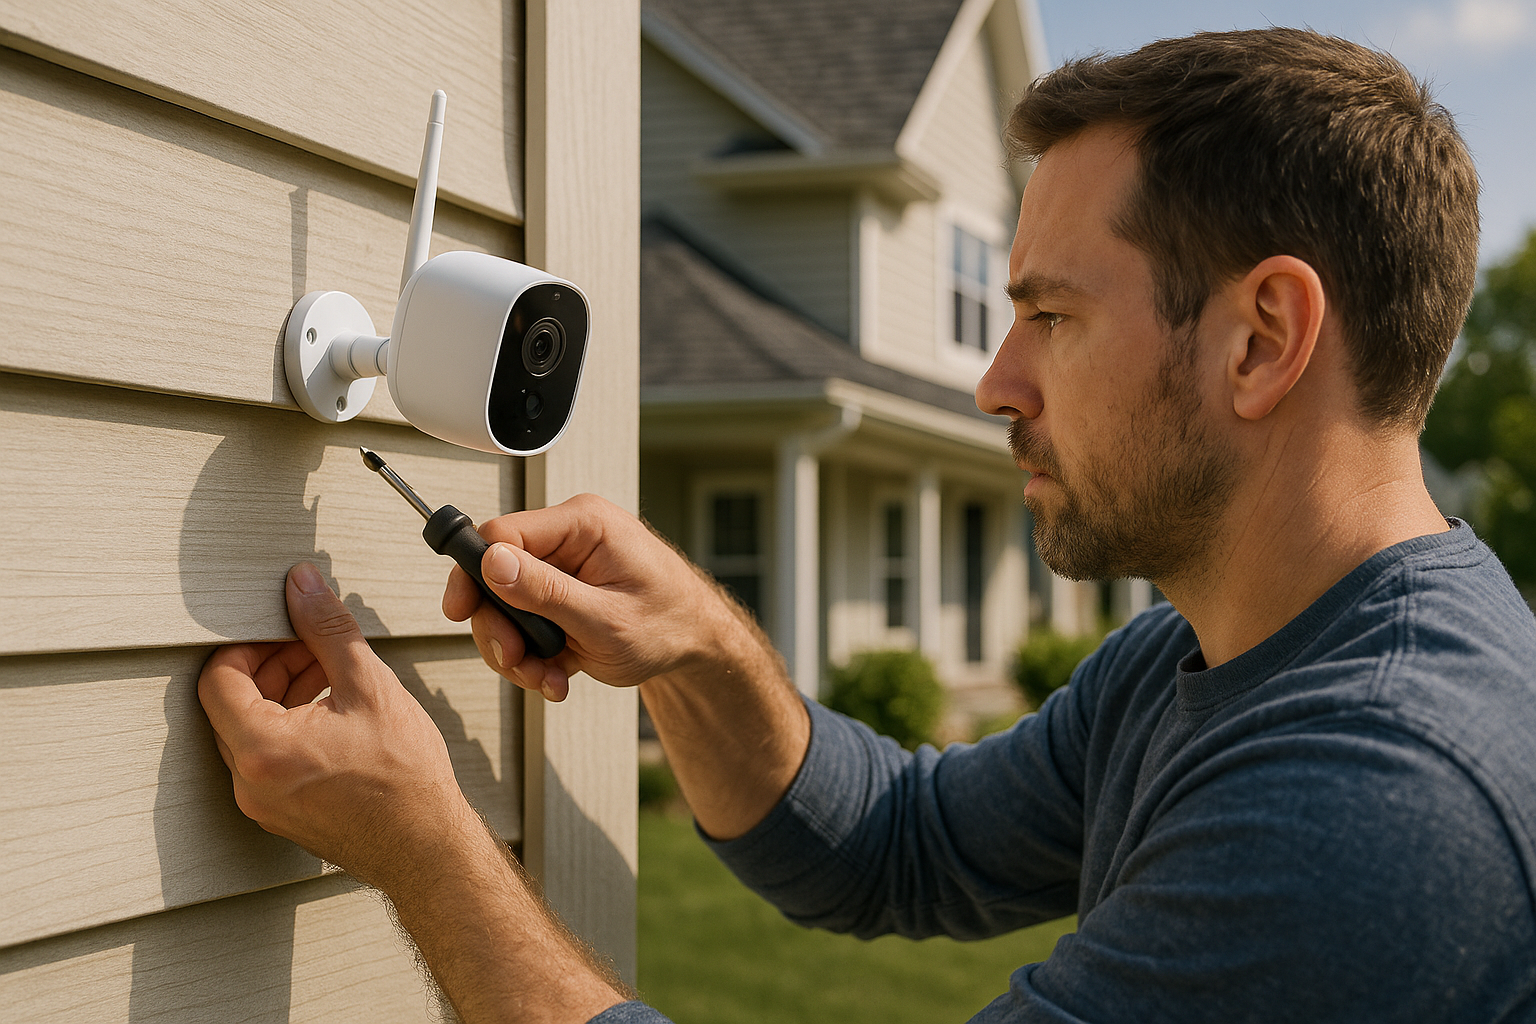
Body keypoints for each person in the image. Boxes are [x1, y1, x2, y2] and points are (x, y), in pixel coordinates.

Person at [199, 26, 1536, 1024]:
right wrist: (700, 651)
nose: (996, 380)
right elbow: (902, 848)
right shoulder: (1201, 658)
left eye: (1051, 315)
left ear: (1262, 340)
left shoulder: (1378, 801)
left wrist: (426, 850)